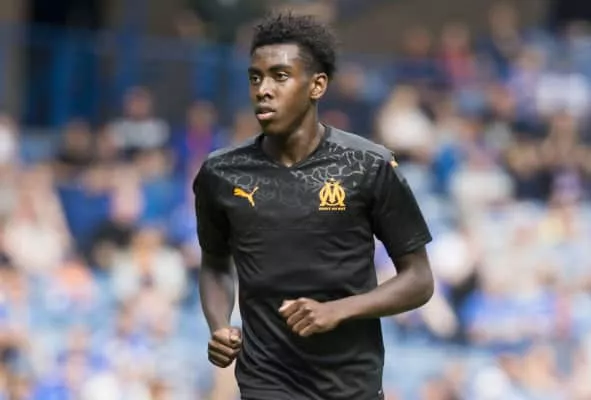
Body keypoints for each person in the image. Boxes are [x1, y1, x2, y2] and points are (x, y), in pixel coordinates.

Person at [193, 12, 434, 400]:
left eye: (280, 76)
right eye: (255, 78)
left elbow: (419, 280)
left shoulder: (367, 165)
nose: (263, 89)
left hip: (351, 386)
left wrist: (338, 310)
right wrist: (219, 324)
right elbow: (216, 263)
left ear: (317, 85)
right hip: (266, 382)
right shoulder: (221, 173)